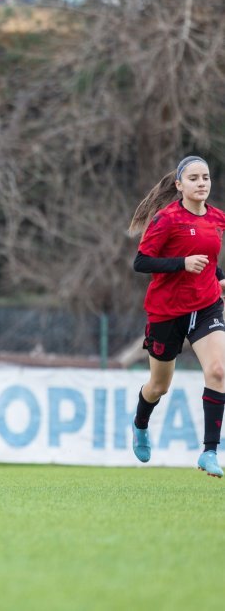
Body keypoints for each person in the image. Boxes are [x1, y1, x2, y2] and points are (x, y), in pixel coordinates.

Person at [129, 155, 225, 477]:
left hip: (206, 305)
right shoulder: (166, 219)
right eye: (194, 178)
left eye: (206, 178)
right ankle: (141, 423)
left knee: (218, 370)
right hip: (167, 311)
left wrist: (219, 277)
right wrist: (181, 263)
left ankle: (209, 452)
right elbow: (141, 262)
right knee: (159, 385)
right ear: (179, 185)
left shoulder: (217, 219)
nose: (202, 183)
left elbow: (209, 259)